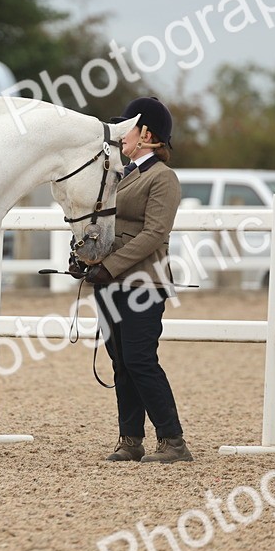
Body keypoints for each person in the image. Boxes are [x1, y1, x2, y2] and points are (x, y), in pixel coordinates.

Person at [75, 96, 191, 464]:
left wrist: (110, 266)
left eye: (130, 127)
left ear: (148, 136)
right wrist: (84, 258)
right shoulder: (118, 175)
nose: (122, 133)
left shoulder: (162, 178)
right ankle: (130, 439)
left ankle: (173, 440)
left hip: (143, 284)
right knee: (121, 361)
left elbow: (154, 233)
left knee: (141, 360)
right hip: (110, 282)